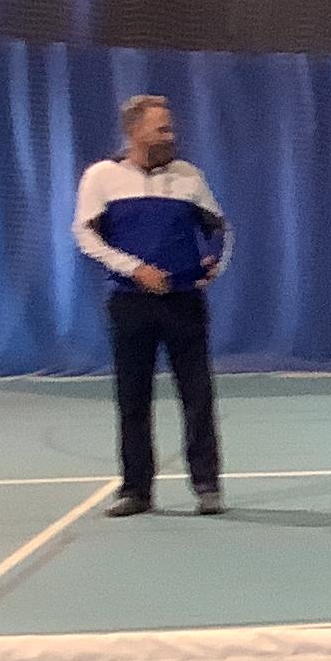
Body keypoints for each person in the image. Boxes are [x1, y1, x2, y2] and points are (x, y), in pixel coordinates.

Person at [73, 93, 231, 516]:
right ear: (134, 131)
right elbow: (85, 235)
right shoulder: (101, 177)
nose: (170, 135)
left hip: (184, 303)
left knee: (197, 395)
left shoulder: (189, 177)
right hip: (130, 305)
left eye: (170, 128)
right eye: (161, 128)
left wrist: (212, 261)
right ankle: (136, 491)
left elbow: (218, 230)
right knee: (133, 397)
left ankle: (207, 486)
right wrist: (135, 269)